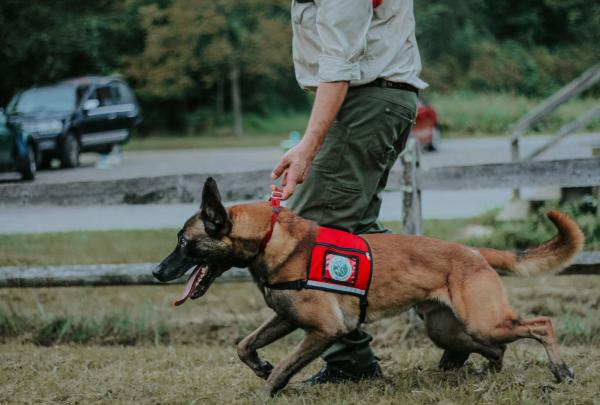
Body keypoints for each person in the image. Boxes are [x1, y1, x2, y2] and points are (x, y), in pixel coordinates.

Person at [270, 0, 427, 384]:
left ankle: (351, 363)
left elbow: (341, 63)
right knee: (358, 234)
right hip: (375, 99)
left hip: (369, 100)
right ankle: (464, 308)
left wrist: (307, 147)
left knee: (312, 232)